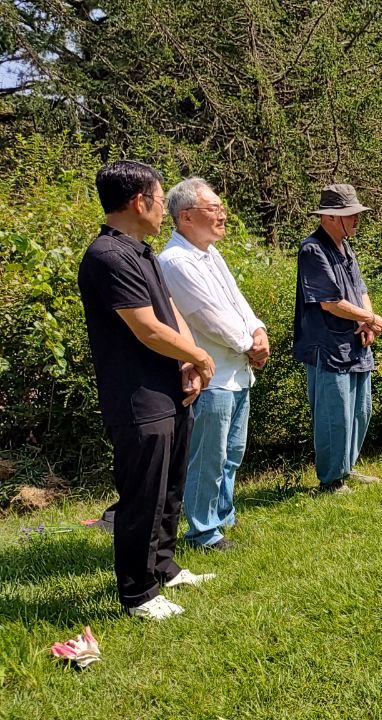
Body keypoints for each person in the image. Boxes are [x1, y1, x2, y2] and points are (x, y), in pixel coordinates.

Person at [77, 161, 217, 621]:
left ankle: (163, 566)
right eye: (160, 200)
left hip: (170, 388)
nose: (162, 209)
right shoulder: (107, 256)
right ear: (140, 202)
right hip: (138, 398)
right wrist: (199, 357)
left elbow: (169, 309)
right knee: (143, 495)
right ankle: (138, 593)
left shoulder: (142, 253)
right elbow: (145, 328)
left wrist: (186, 358)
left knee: (171, 485)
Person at [158, 178, 268, 552]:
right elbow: (208, 317)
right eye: (214, 209)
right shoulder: (175, 261)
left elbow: (237, 302)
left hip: (237, 371)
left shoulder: (209, 253)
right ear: (186, 216)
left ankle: (222, 517)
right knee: (208, 458)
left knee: (231, 453)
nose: (222, 215)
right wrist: (247, 344)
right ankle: (203, 531)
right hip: (212, 376)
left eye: (222, 207)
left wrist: (259, 329)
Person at [293, 184, 382, 494]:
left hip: (356, 343)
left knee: (361, 410)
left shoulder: (346, 247)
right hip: (328, 347)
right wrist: (369, 319)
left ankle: (346, 467)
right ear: (331, 217)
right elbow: (329, 302)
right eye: (351, 215)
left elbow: (361, 290)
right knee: (335, 416)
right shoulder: (312, 249)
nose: (356, 220)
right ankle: (331, 480)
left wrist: (367, 322)